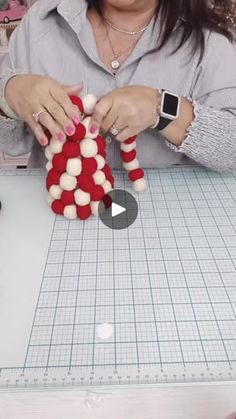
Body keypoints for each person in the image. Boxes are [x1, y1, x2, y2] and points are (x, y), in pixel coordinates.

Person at [0, 0, 235, 170]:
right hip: (56, 209)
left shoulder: (209, 38)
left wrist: (161, 107)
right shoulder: (39, 23)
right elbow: (10, 144)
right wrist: (8, 94)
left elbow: (231, 152)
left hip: (172, 214)